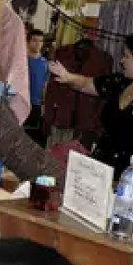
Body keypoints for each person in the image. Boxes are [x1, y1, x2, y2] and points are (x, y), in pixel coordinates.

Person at [50, 35, 133, 180]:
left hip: (126, 179)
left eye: (126, 56)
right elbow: (87, 84)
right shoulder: (120, 83)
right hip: (100, 169)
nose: (121, 61)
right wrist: (68, 77)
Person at [24, 29, 48, 145]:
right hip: (22, 101)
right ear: (28, 42)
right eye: (34, 40)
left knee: (32, 138)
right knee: (18, 133)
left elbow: (45, 85)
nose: (38, 44)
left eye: (40, 41)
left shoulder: (46, 63)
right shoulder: (22, 60)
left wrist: (44, 104)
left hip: (37, 105)